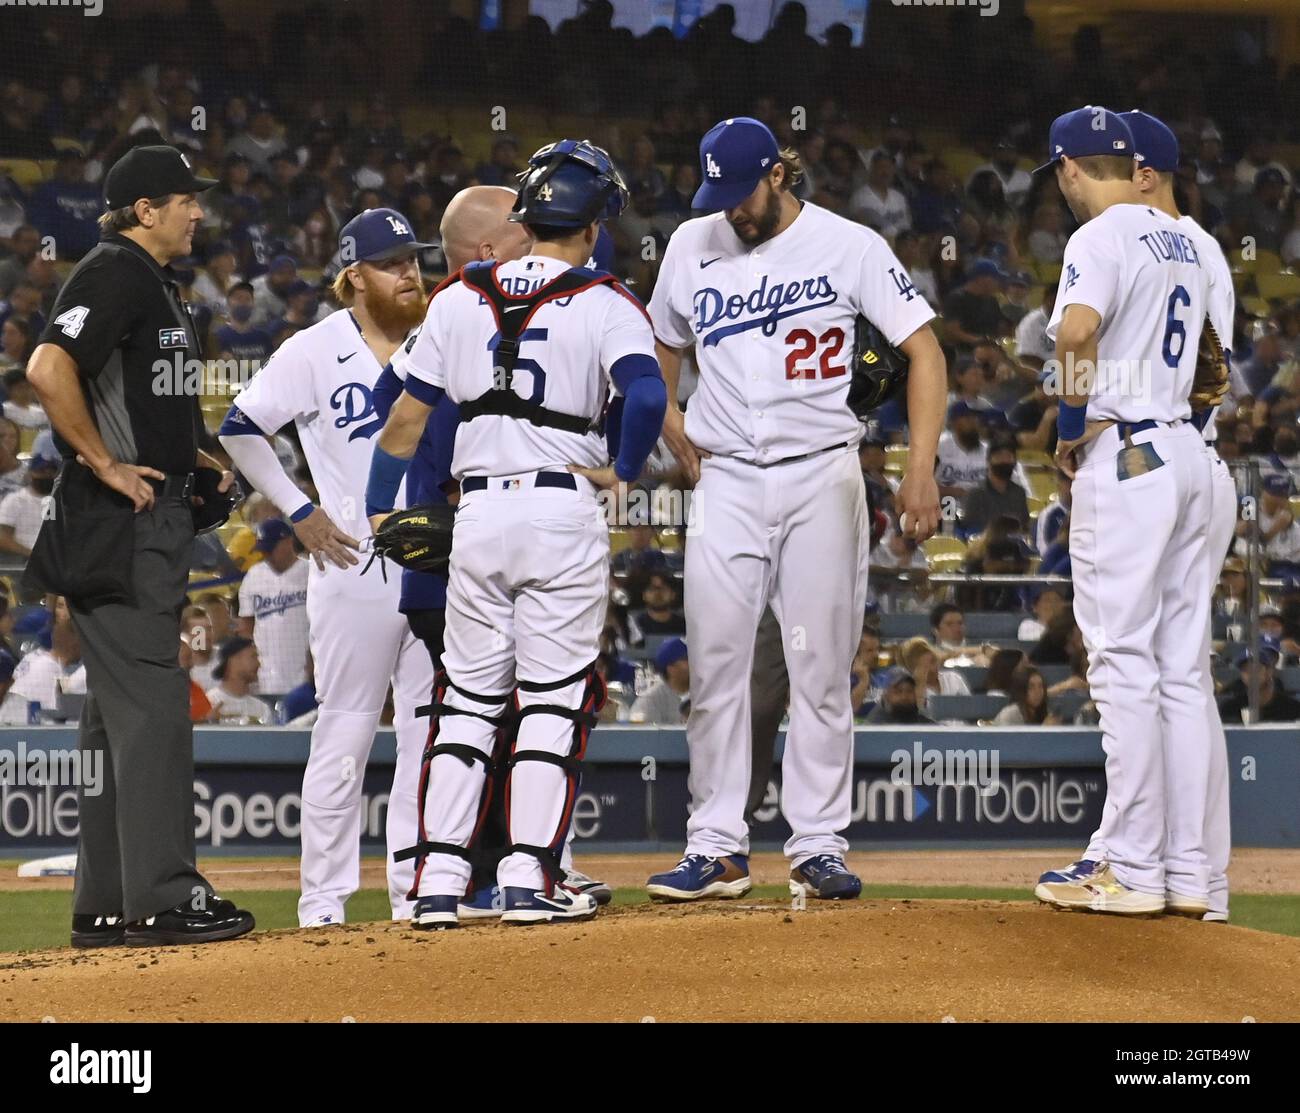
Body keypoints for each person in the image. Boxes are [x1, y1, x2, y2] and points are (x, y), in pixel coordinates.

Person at [643, 116, 945, 903]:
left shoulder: (849, 245)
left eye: (741, 191)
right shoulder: (693, 241)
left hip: (822, 474)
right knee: (715, 664)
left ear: (779, 173)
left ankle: (816, 844)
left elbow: (924, 350)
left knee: (819, 665)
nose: (731, 209)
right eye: (717, 193)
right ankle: (716, 845)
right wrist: (669, 417)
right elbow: (660, 344)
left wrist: (919, 467)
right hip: (728, 480)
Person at [365, 139, 665, 928]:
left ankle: (436, 883)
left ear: (528, 216)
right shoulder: (606, 301)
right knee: (552, 700)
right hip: (561, 507)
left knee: (465, 700)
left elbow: (401, 416)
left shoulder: (460, 297)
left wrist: (375, 504)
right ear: (594, 223)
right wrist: (627, 472)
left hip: (480, 513)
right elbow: (645, 396)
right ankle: (527, 878)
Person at [23, 144, 253, 947]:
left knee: (114, 720)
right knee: (155, 704)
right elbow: (48, 367)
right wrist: (105, 462)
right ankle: (163, 896)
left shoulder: (156, 286)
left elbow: (139, 399)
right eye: (186, 199)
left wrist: (198, 457)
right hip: (118, 527)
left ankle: (106, 901)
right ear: (145, 210)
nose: (199, 210)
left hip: (139, 521)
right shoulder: (114, 268)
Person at [1041, 110, 1242, 924]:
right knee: (1183, 673)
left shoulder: (1099, 236)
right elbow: (1215, 368)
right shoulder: (1190, 239)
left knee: (1123, 665)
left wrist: (1065, 424)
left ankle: (1128, 865)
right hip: (1192, 459)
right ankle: (1194, 875)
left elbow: (1079, 330)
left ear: (1068, 169)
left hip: (1129, 459)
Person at [218, 207, 437, 928]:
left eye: (412, 259)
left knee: (429, 730)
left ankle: (418, 890)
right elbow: (241, 428)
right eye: (392, 263)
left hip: (438, 563)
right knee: (344, 725)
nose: (409, 272)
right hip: (357, 565)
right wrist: (294, 508)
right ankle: (323, 904)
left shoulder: (442, 336)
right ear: (353, 277)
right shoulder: (313, 348)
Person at [236, 517, 309, 694]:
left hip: (306, 671)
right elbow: (246, 627)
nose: (266, 555)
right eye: (264, 550)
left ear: (288, 542)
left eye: (271, 549)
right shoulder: (254, 576)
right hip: (266, 675)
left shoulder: (311, 572)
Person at [1217, 643, 1300, 723]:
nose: (1250, 674)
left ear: (1269, 671)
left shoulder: (1293, 708)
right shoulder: (1229, 708)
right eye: (1245, 670)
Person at [960, 441, 1030, 536]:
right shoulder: (975, 493)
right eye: (1000, 456)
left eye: (1009, 456)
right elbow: (969, 529)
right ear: (988, 461)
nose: (1004, 461)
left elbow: (1024, 526)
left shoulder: (1019, 492)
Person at [0, 443, 57, 556]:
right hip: (21, 560)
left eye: (51, 471)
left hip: (57, 560)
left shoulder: (62, 501)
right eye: (41, 471)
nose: (47, 475)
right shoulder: (15, 500)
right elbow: (2, 537)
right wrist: (33, 555)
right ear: (30, 473)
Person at [205, 636, 273, 724]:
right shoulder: (210, 702)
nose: (258, 664)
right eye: (253, 657)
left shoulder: (262, 708)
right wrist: (209, 722)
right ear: (234, 660)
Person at [631, 637, 690, 724]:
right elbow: (640, 735)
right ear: (671, 669)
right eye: (686, 659)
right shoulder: (649, 701)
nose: (694, 663)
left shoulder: (704, 694)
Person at [864, 667, 933, 724]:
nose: (904, 696)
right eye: (898, 692)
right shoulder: (876, 723)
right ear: (886, 695)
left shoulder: (917, 715)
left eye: (909, 691)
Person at [993, 666, 1058, 725]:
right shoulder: (1009, 714)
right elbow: (1008, 738)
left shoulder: (1045, 713)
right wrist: (1044, 729)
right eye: (1031, 687)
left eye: (1040, 686)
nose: (1037, 692)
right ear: (1021, 691)